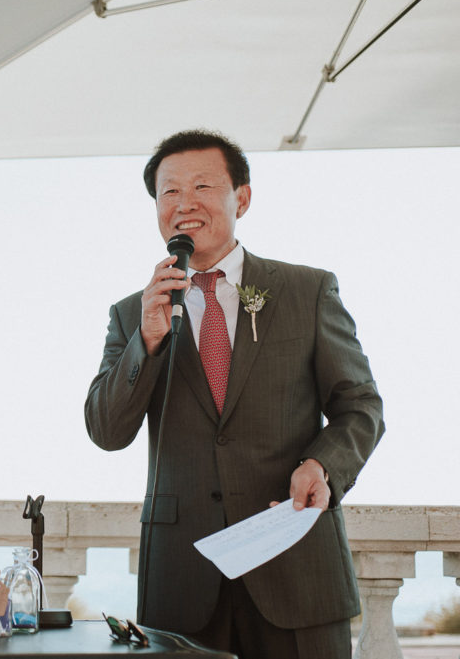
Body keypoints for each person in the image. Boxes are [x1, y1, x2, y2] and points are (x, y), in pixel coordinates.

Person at [84, 130, 384, 659]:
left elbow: (359, 405)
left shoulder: (307, 290)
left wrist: (323, 467)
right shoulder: (132, 314)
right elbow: (107, 432)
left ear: (241, 197)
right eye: (169, 192)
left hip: (297, 566)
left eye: (202, 185)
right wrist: (148, 341)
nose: (184, 203)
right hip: (183, 580)